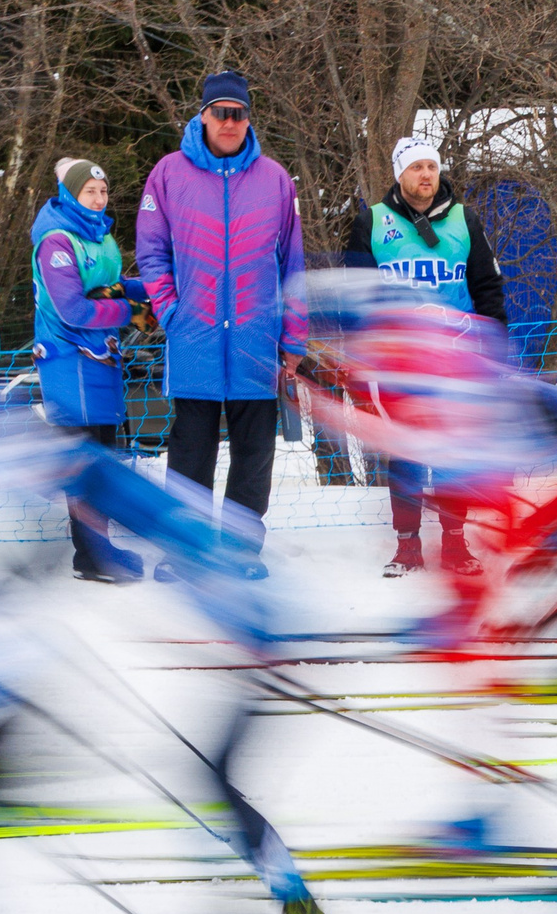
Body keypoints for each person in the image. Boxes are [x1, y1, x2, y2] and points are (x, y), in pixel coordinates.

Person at [135, 70, 305, 576]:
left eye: (239, 113)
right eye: (221, 112)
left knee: (254, 457)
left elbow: (292, 265)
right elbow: (151, 254)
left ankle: (238, 552)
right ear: (203, 114)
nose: (230, 122)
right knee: (191, 454)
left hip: (257, 340)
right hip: (196, 341)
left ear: (248, 118)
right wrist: (172, 312)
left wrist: (293, 335)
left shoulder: (275, 179)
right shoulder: (168, 174)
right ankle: (184, 552)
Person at [342, 136, 506, 578]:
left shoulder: (463, 220)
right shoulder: (373, 221)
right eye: (416, 168)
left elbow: (487, 287)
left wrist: (495, 346)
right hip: (399, 360)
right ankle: (407, 545)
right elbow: (357, 294)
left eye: (431, 167)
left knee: (455, 454)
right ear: (400, 174)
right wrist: (361, 351)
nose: (426, 175)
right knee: (406, 453)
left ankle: (455, 542)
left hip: (455, 357)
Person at [31, 158, 150, 582]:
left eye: (103, 192)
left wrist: (152, 287)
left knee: (102, 458)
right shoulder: (56, 241)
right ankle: (91, 555)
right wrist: (129, 310)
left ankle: (98, 548)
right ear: (71, 194)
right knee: (84, 461)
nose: (99, 199)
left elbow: (110, 287)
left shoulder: (98, 236)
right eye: (89, 192)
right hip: (68, 361)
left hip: (100, 359)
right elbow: (74, 307)